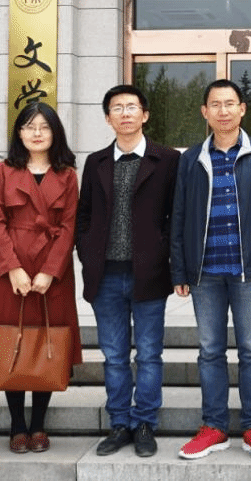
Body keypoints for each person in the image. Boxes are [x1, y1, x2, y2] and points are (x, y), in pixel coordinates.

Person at [171, 79, 251, 461]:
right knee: (209, 351)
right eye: (215, 104)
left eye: (230, 103)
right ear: (205, 112)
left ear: (242, 109)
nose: (223, 111)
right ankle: (215, 426)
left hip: (247, 271)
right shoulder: (191, 159)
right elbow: (179, 216)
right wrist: (179, 270)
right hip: (204, 273)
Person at [76, 85, 180, 458]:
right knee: (114, 355)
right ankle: (120, 422)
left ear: (144, 115)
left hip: (148, 273)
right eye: (117, 108)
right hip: (105, 275)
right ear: (108, 118)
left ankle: (145, 422)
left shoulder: (167, 160)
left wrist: (164, 254)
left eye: (131, 107)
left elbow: (175, 214)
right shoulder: (96, 162)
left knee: (149, 353)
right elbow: (84, 214)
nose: (125, 113)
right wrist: (87, 253)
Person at [0, 101, 82, 454]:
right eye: (29, 126)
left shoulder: (67, 175)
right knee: (12, 341)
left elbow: (69, 226)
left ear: (55, 133)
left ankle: (38, 424)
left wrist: (50, 271)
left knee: (47, 343)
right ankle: (17, 425)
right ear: (19, 133)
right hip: (10, 271)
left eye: (44, 127)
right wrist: (13, 268)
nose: (37, 133)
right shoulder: (4, 171)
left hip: (53, 273)